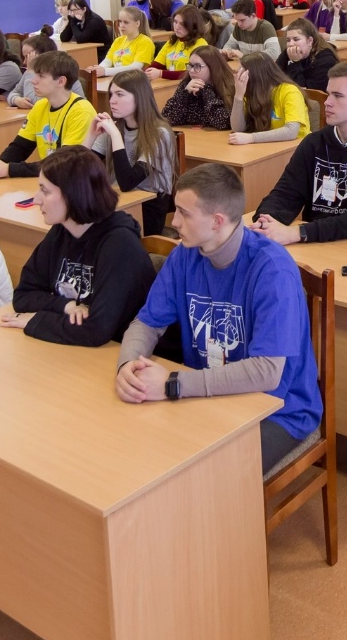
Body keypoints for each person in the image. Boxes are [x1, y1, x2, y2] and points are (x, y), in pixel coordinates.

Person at [116, 163, 323, 474]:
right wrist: (128, 365)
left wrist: (174, 384)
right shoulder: (186, 254)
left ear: (217, 221)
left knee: (208, 476)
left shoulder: (272, 269)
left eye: (184, 213)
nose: (174, 222)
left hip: (278, 411)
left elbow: (267, 372)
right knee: (139, 451)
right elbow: (147, 323)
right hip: (207, 396)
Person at [0, 145, 156, 347]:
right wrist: (66, 306)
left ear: (72, 194)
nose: (36, 199)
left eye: (45, 191)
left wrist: (36, 320)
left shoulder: (120, 245)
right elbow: (23, 296)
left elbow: (96, 330)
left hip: (120, 351)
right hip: (83, 351)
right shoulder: (62, 231)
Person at [252, 62, 347, 244]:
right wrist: (265, 220)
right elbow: (285, 194)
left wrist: (298, 233)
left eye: (338, 96)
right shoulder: (314, 144)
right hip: (315, 242)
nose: (327, 102)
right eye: (328, 94)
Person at [0, 51, 96, 179]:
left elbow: (64, 164)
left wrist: (8, 169)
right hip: (50, 178)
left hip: (75, 181)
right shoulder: (40, 106)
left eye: (41, 76)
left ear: (61, 81)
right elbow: (20, 147)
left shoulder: (81, 112)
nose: (33, 81)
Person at [86, 70, 176, 235]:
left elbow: (127, 182)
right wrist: (91, 136)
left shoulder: (159, 133)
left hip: (147, 207)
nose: (112, 101)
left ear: (139, 97)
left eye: (120, 95)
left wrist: (115, 135)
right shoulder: (115, 127)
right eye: (111, 94)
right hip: (116, 201)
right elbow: (78, 171)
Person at [228, 52, 309, 145]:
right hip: (268, 146)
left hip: (295, 147)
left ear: (256, 76)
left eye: (241, 73)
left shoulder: (290, 91)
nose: (237, 77)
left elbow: (291, 131)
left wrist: (252, 137)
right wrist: (238, 96)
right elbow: (238, 128)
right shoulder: (251, 92)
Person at [160, 45, 234, 131]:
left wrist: (206, 90)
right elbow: (167, 118)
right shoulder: (186, 85)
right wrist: (184, 94)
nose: (191, 71)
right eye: (190, 66)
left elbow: (223, 123)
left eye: (197, 66)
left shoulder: (226, 86)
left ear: (212, 67)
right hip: (191, 136)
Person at [151, 4, 210, 78]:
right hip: (169, 83)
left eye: (182, 24)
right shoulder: (172, 42)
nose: (177, 27)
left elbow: (191, 72)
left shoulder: (200, 44)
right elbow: (157, 64)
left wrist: (161, 73)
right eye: (175, 22)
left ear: (193, 26)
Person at [97, 6, 156, 76]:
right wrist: (97, 70)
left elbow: (135, 67)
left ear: (137, 23)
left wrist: (105, 71)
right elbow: (107, 61)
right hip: (118, 77)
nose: (121, 25)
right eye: (120, 21)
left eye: (126, 22)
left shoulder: (145, 41)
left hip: (136, 79)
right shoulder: (118, 40)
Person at [280, 20, 337, 92]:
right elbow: (274, 75)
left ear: (310, 41)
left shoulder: (325, 60)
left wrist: (295, 63)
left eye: (296, 39)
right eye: (288, 40)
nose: (291, 44)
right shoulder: (290, 52)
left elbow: (307, 91)